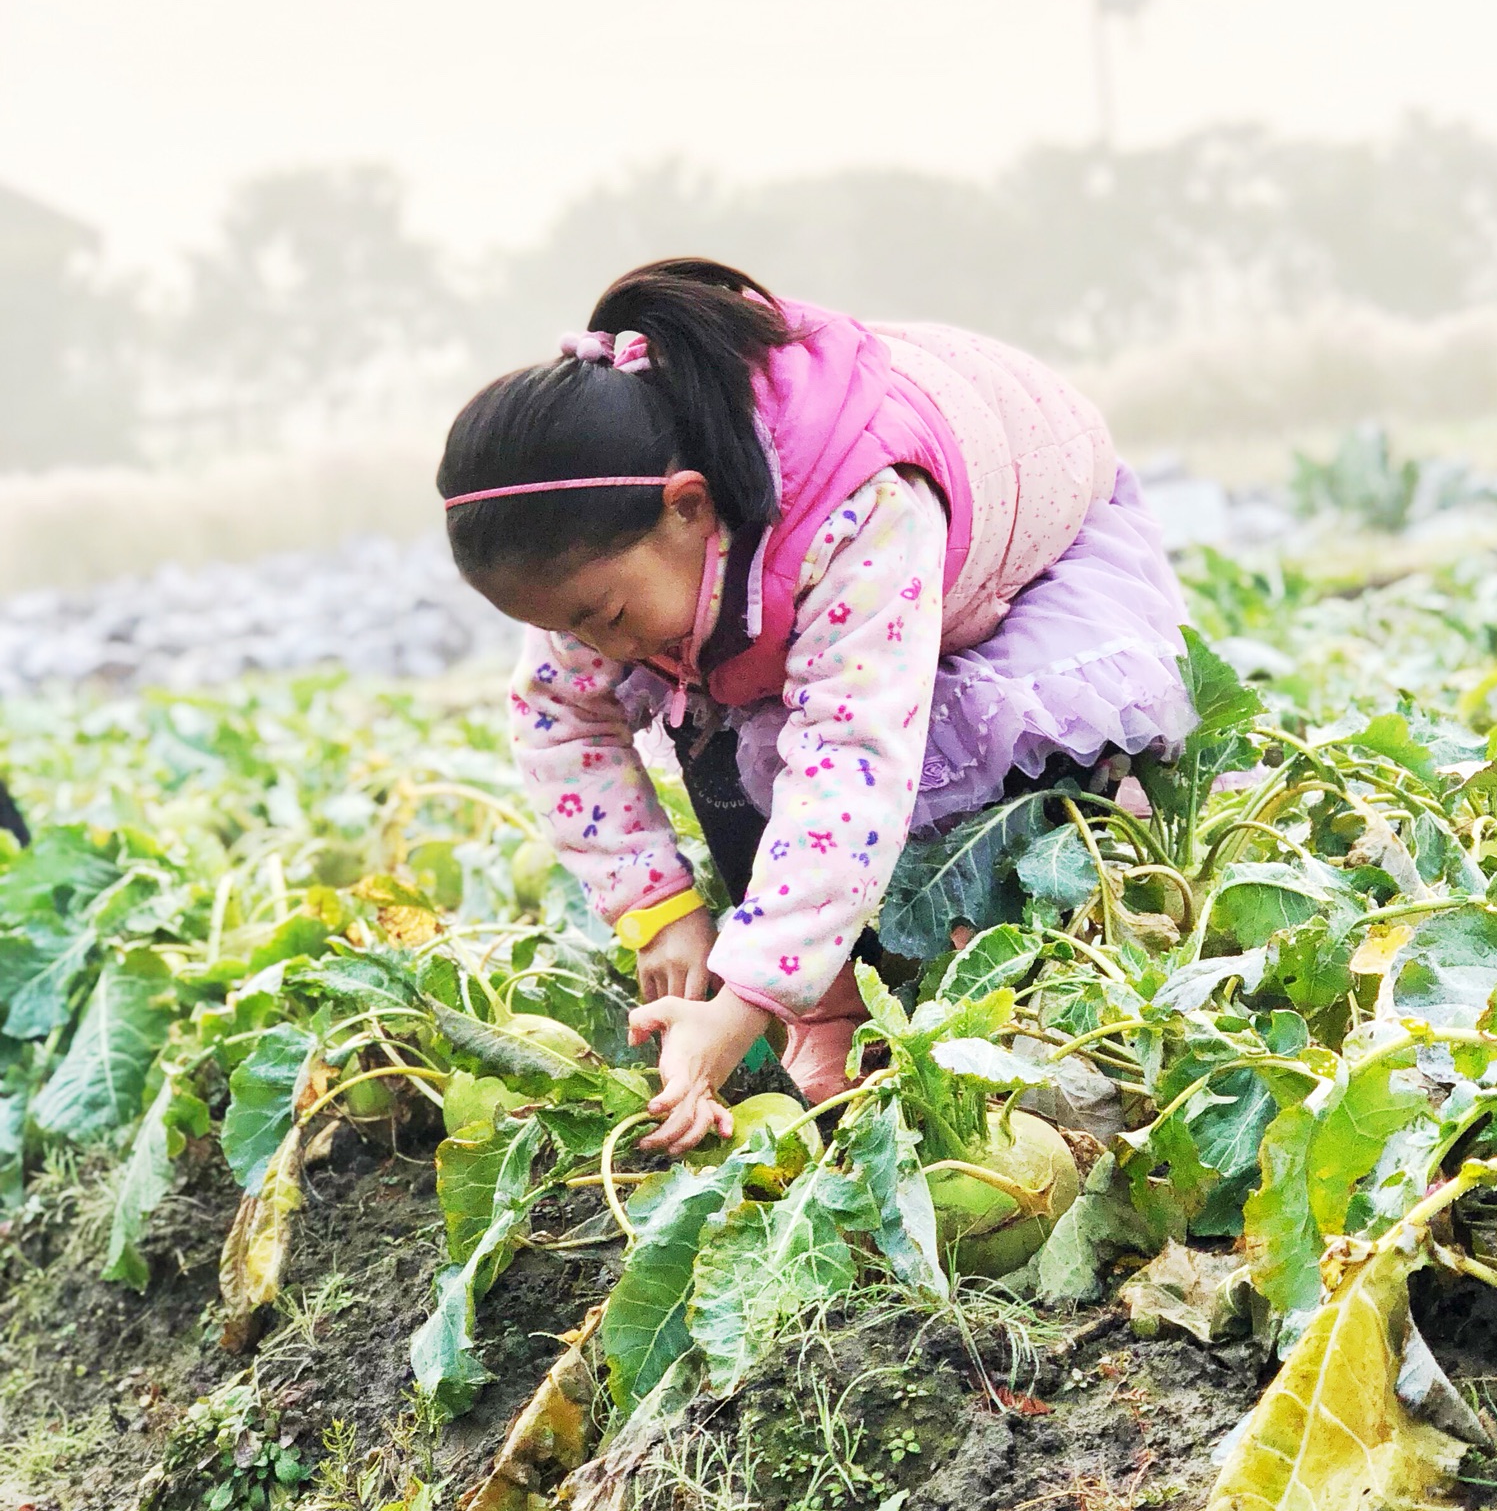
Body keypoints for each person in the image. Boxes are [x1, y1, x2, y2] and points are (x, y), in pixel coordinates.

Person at [437, 259, 1193, 1154]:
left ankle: (1047, 955)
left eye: (603, 618)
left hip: (1013, 519)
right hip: (780, 571)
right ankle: (827, 1013)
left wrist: (745, 1000)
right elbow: (559, 720)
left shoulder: (865, 506)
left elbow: (853, 756)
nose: (597, 650)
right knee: (708, 717)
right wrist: (660, 907)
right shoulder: (595, 557)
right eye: (566, 629)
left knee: (1015, 764)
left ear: (689, 508)